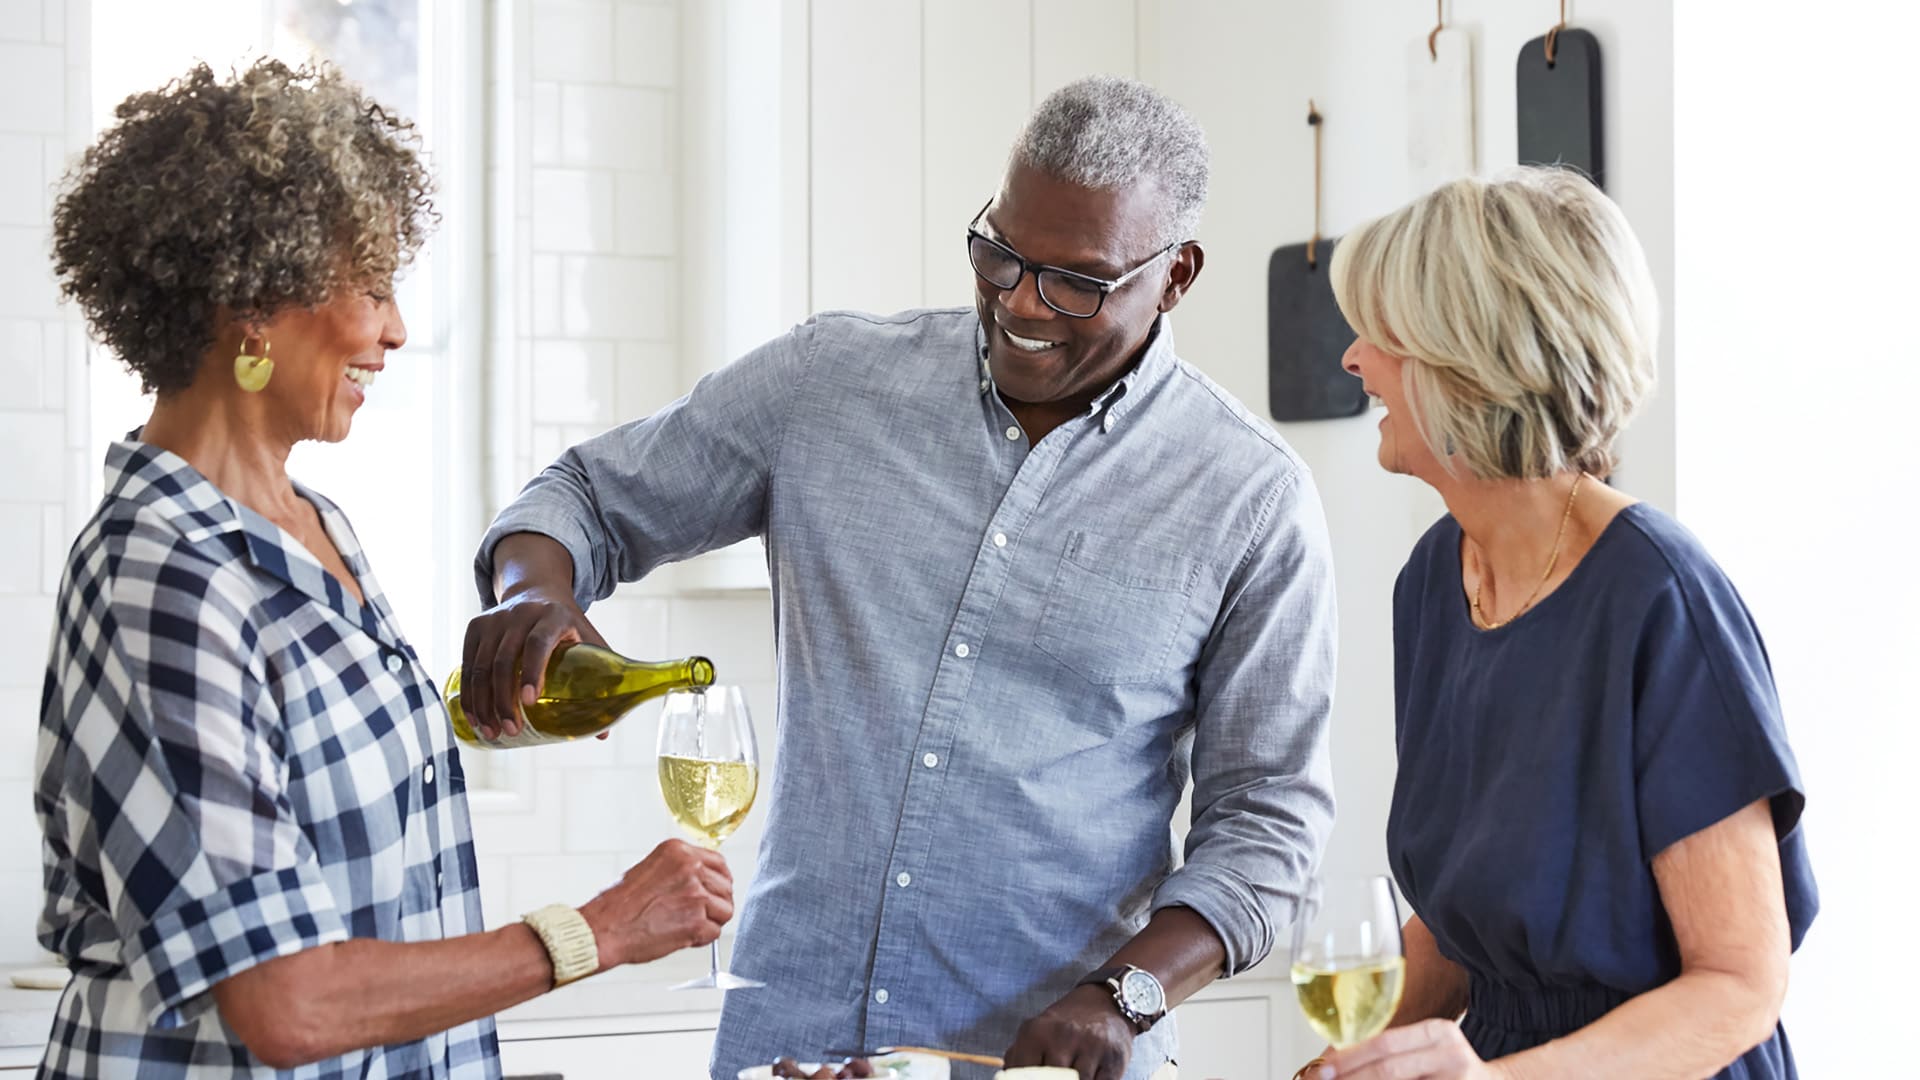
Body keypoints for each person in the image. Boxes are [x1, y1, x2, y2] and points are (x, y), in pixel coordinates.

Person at [460, 76, 1338, 1080]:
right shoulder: (829, 385)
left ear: (1175, 274)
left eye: (1076, 283)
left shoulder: (1251, 500)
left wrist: (1122, 997)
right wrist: (534, 594)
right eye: (1000, 255)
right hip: (784, 1050)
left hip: (1043, 1067)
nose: (1021, 304)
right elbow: (581, 498)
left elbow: (1268, 826)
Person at [36, 60, 733, 1079]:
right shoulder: (164, 572)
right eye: (371, 287)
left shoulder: (313, 524)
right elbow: (287, 1003)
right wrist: (603, 929)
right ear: (252, 303)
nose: (397, 329)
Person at [1304, 168, 1817, 1080]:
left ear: (1471, 361)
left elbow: (1741, 985)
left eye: (1381, 337)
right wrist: (1348, 1061)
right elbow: (1481, 925)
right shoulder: (1433, 580)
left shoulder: (1661, 599)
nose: (1353, 359)